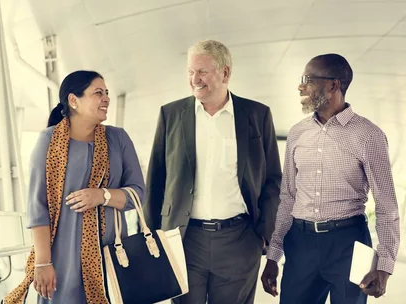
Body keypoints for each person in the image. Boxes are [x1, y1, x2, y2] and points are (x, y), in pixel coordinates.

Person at [143, 39, 282, 304]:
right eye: (190, 72)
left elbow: (273, 180)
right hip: (184, 239)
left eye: (202, 71)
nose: (194, 78)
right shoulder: (171, 114)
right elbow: (157, 179)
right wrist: (152, 236)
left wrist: (264, 234)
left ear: (225, 73)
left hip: (240, 240)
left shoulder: (257, 115)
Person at [261, 54, 400, 304]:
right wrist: (274, 255)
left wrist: (385, 265)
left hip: (349, 244)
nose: (300, 86)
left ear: (333, 85)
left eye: (308, 80)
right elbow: (287, 198)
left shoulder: (369, 136)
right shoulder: (297, 134)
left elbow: (387, 205)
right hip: (300, 243)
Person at [3, 70, 145, 304]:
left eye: (107, 93)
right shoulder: (48, 141)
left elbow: (138, 194)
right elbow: (38, 208)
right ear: (73, 100)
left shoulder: (118, 139)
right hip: (62, 259)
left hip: (109, 256)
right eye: (98, 93)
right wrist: (43, 263)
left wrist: (102, 195)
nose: (106, 98)